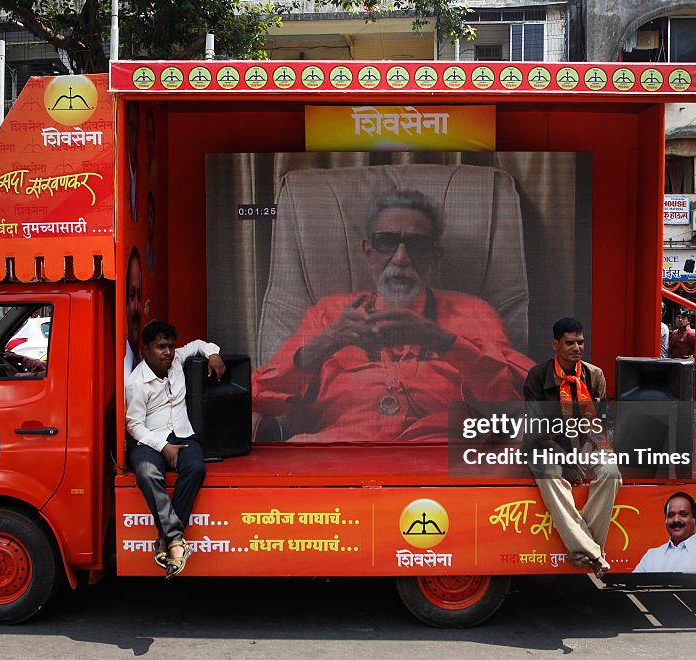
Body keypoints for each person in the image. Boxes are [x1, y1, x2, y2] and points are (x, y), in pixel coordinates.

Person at [253, 189, 534, 443]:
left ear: (435, 255)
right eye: (386, 242)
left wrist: (444, 342)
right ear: (368, 252)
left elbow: (513, 410)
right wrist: (326, 342)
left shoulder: (474, 313)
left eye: (417, 245)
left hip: (439, 458)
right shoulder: (329, 313)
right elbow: (262, 399)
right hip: (338, 454)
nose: (401, 258)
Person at [125, 320, 225, 578]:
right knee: (147, 474)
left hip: (183, 434)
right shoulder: (136, 383)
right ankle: (176, 539)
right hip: (150, 440)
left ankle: (168, 538)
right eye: (160, 347)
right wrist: (164, 447)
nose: (168, 352)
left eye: (170, 346)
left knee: (195, 468)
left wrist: (213, 354)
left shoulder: (178, 359)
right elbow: (134, 425)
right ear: (146, 350)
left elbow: (199, 345)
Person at [523, 317, 621, 578]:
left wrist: (585, 456)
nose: (576, 348)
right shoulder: (537, 376)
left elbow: (600, 423)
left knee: (611, 474)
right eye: (569, 343)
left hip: (587, 446)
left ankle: (583, 551)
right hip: (547, 447)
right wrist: (567, 459)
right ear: (555, 344)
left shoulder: (595, 375)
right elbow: (535, 429)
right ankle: (593, 552)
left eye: (580, 342)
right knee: (549, 474)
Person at [633, 492, 696, 573]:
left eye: (683, 514)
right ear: (665, 520)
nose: (676, 520)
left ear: (695, 519)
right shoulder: (651, 556)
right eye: (671, 515)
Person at [124, 247, 145, 376]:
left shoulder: (142, 355)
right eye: (132, 296)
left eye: (139, 297)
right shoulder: (120, 364)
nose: (137, 307)